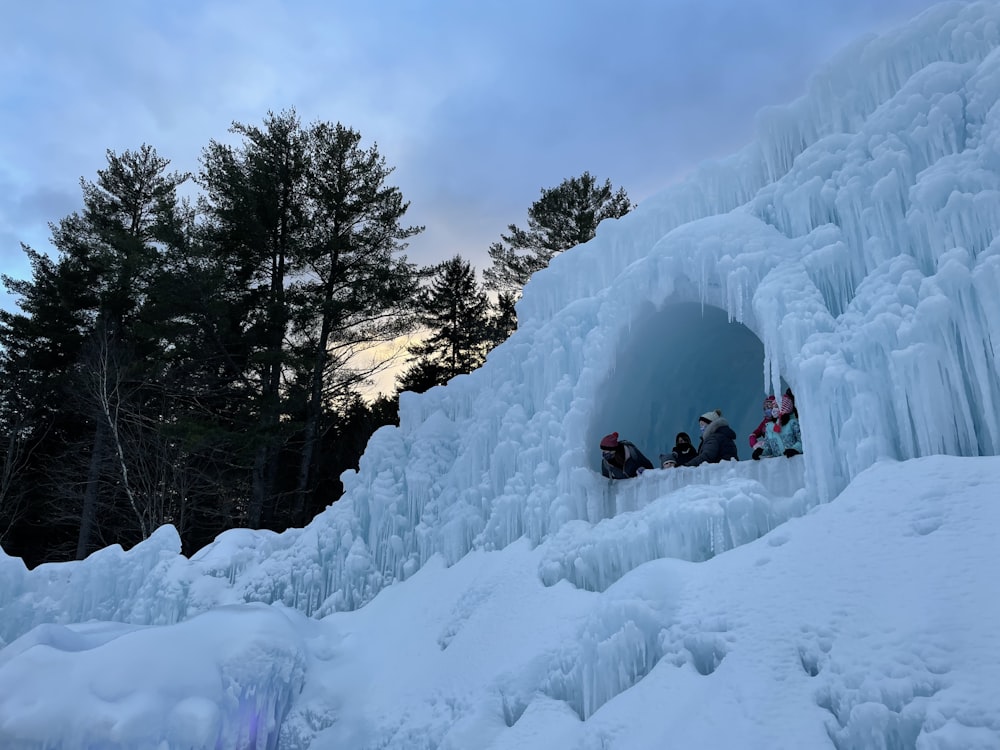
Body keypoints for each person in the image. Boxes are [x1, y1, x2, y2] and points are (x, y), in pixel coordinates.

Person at [752, 393, 802, 459]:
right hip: (781, 466)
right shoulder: (769, 428)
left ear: (784, 408)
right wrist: (761, 451)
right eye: (773, 407)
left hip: (796, 462)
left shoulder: (793, 423)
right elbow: (768, 448)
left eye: (776, 407)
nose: (773, 410)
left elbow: (802, 441)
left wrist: (795, 449)